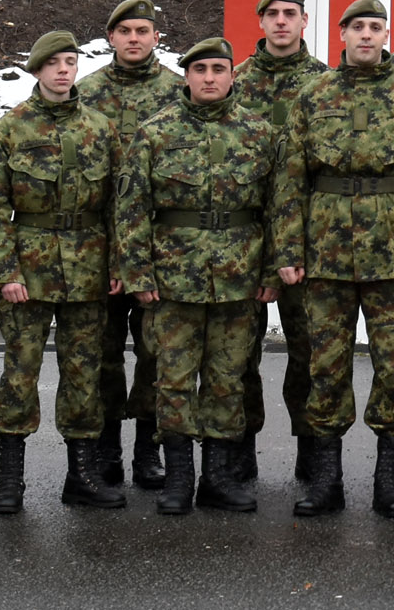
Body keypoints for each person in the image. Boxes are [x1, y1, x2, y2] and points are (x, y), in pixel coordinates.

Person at [284, 0, 394, 518]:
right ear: (343, 34)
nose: (367, 36)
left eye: (376, 28)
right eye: (358, 27)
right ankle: (326, 481)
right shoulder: (314, 95)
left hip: (393, 257)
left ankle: (388, 479)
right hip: (326, 254)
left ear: (386, 36)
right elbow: (290, 181)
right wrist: (289, 249)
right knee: (325, 367)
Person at [116, 37, 291, 515]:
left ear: (233, 75)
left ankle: (217, 477)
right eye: (200, 69)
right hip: (174, 280)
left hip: (239, 278)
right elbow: (131, 211)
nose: (210, 77)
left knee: (227, 378)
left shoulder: (260, 134)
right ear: (187, 76)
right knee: (172, 379)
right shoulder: (154, 133)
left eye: (219, 68)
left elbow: (281, 208)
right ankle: (178, 479)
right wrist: (138, 273)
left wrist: (274, 269)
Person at [0, 29, 124, 512]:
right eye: (54, 63)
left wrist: (117, 263)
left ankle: (81, 476)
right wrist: (6, 272)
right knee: (19, 373)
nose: (64, 70)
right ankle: (10, 481)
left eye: (70, 61)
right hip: (31, 269)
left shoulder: (100, 129)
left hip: (88, 267)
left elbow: (118, 206)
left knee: (84, 374)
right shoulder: (10, 130)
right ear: (37, 70)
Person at [81, 0, 184, 489]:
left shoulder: (179, 91)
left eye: (143, 31)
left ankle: (149, 450)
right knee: (101, 353)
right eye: (125, 31)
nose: (135, 39)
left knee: (155, 354)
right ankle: (104, 451)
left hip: (160, 244)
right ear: (111, 39)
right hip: (97, 245)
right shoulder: (87, 93)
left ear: (156, 37)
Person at [232, 0, 328, 482]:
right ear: (261, 22)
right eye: (273, 14)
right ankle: (240, 447)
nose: (282, 22)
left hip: (304, 236)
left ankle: (311, 449)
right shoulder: (235, 81)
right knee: (240, 349)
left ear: (305, 22)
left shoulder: (325, 84)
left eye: (291, 14)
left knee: (308, 347)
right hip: (242, 237)